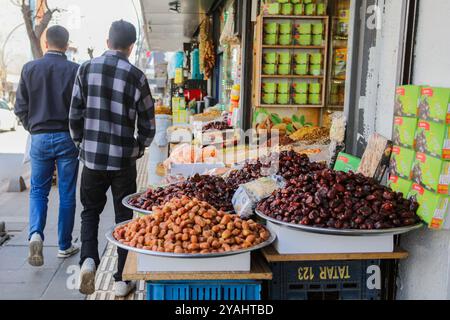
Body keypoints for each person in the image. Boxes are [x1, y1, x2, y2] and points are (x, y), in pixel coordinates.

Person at [69, 20, 155, 297]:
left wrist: (82, 144)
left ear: (107, 42)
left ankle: (88, 261)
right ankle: (121, 279)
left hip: (92, 160)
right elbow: (148, 124)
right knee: (124, 219)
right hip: (122, 162)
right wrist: (139, 147)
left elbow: (74, 115)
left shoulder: (85, 69)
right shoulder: (137, 76)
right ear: (131, 48)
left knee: (89, 212)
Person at [15, 25, 80, 267]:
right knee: (66, 193)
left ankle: (35, 234)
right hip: (67, 137)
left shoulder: (29, 68)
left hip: (39, 137)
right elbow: (81, 108)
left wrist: (32, 127)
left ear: (45, 44)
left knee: (38, 191)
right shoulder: (75, 70)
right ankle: (64, 246)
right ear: (66, 44)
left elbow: (20, 107)